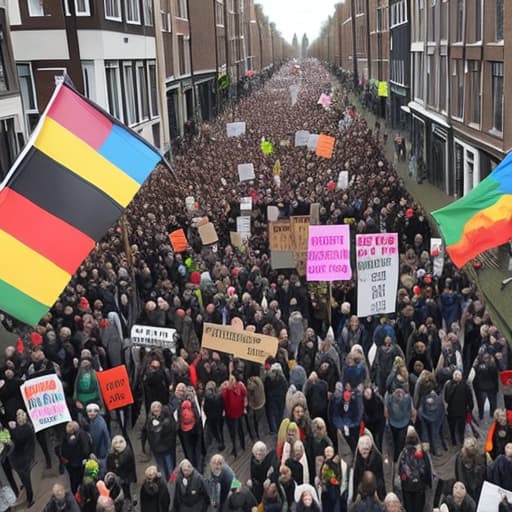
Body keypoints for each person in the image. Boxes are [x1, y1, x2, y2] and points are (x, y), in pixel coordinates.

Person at [397, 426, 432, 512]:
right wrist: (429, 483)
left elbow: (398, 469)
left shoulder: (403, 452)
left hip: (406, 488)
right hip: (419, 487)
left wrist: (399, 485)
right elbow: (428, 468)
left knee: (409, 508)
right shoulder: (422, 452)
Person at [141, 401, 176, 482]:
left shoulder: (167, 419)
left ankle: (172, 484)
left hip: (166, 448)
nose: (156, 409)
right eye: (153, 407)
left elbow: (172, 431)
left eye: (158, 407)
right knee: (161, 468)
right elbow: (145, 432)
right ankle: (165, 483)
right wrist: (144, 446)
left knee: (170, 467)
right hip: (156, 449)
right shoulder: (149, 420)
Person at [8, 409, 35, 507]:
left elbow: (18, 439)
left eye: (20, 414)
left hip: (24, 459)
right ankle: (27, 491)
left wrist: (13, 429)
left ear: (25, 415)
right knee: (22, 477)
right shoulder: (20, 427)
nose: (18, 417)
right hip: (17, 459)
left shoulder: (26, 428)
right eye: (17, 415)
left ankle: (30, 497)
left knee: (26, 479)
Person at [58, 420, 93, 493]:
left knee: (77, 480)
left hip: (76, 463)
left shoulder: (80, 436)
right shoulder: (69, 436)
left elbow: (85, 450)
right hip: (74, 463)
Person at [222, 374, 247, 457]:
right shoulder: (240, 386)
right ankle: (243, 445)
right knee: (240, 430)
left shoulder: (227, 390)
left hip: (230, 414)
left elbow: (223, 399)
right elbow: (245, 393)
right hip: (239, 412)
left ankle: (235, 449)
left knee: (233, 432)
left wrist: (224, 388)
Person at [106, 435, 137, 503]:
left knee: (127, 494)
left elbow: (128, 468)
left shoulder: (126, 455)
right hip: (122, 479)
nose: (118, 446)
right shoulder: (112, 456)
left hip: (125, 479)